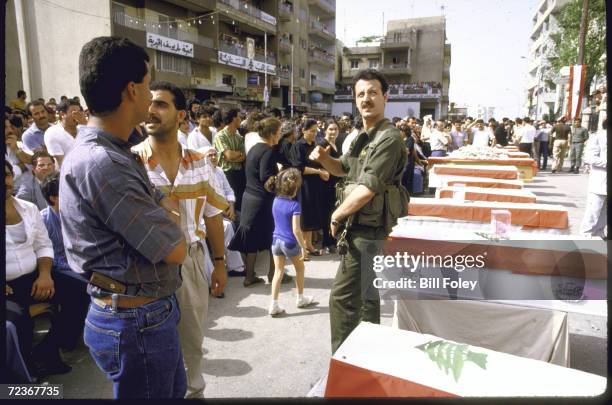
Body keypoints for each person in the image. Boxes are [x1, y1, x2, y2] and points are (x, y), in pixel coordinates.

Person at [59, 36, 188, 398]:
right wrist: (165, 211)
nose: (149, 99)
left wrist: (164, 209)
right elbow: (175, 248)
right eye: (148, 87)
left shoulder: (113, 153)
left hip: (144, 314)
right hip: (137, 322)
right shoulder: (105, 163)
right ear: (132, 90)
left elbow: (166, 209)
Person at [133, 81, 228, 398]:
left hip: (191, 259)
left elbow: (213, 214)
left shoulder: (201, 160)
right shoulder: (131, 161)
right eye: (149, 103)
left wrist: (219, 263)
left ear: (181, 115)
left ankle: (194, 392)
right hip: (146, 265)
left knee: (193, 338)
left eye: (160, 104)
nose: (151, 109)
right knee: (153, 343)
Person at [309, 69, 407, 353]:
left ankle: (345, 358)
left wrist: (337, 214)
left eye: (373, 92)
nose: (367, 99)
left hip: (367, 229)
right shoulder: (365, 137)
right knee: (365, 296)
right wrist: (325, 159)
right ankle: (366, 358)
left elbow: (369, 188)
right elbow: (343, 170)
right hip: (362, 226)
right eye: (361, 94)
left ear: (385, 97)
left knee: (342, 298)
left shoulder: (388, 138)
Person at [5, 162, 72, 377]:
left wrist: (45, 275)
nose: (4, 182)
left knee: (81, 292)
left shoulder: (28, 208)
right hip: (7, 287)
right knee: (18, 320)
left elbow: (43, 245)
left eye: (6, 175)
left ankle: (48, 350)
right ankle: (26, 376)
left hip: (36, 277)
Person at [229, 117, 290, 287]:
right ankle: (274, 274)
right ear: (271, 134)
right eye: (278, 133)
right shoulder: (268, 151)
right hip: (263, 201)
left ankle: (249, 276)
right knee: (274, 237)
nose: (279, 136)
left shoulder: (255, 148)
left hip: (249, 198)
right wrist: (280, 176)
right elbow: (266, 179)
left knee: (252, 239)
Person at [39, 171, 90, 352]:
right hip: (55, 270)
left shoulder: (77, 213)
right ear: (53, 198)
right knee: (83, 290)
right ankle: (62, 342)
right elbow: (47, 257)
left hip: (79, 265)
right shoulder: (43, 220)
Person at [268, 168, 317, 316]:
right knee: (300, 269)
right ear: (295, 189)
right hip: (289, 243)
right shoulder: (295, 205)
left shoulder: (275, 201)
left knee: (278, 272)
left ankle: (273, 304)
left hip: (276, 241)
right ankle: (300, 298)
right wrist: (303, 246)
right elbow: (296, 229)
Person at [292, 119, 330, 258]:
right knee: (304, 216)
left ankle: (308, 245)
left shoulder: (314, 145)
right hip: (304, 184)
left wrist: (323, 172)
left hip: (315, 184)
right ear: (303, 131)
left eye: (316, 131)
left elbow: (318, 163)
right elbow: (299, 168)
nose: (315, 134)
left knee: (311, 215)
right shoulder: (298, 146)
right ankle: (303, 248)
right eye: (312, 131)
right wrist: (319, 172)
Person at [214, 108, 246, 212]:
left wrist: (236, 155)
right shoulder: (220, 136)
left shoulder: (238, 137)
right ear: (234, 119)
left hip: (239, 174)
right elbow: (228, 156)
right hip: (227, 174)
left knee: (240, 204)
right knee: (230, 205)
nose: (240, 119)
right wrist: (237, 155)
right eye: (238, 117)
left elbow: (244, 156)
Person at [317, 119, 342, 253]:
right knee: (327, 214)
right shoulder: (322, 143)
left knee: (332, 212)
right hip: (324, 184)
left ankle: (331, 238)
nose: (333, 132)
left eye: (335, 129)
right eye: (330, 129)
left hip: (334, 183)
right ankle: (327, 241)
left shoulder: (335, 143)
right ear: (325, 130)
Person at [580, 119, 607, 238]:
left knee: (604, 213)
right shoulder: (598, 137)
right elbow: (589, 157)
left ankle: (599, 234)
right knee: (594, 210)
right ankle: (586, 235)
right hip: (600, 180)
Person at [43, 98, 86, 168]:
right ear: (62, 114)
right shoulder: (52, 133)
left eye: (79, 112)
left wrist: (85, 125)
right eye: (74, 112)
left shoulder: (84, 129)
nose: (77, 115)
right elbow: (61, 161)